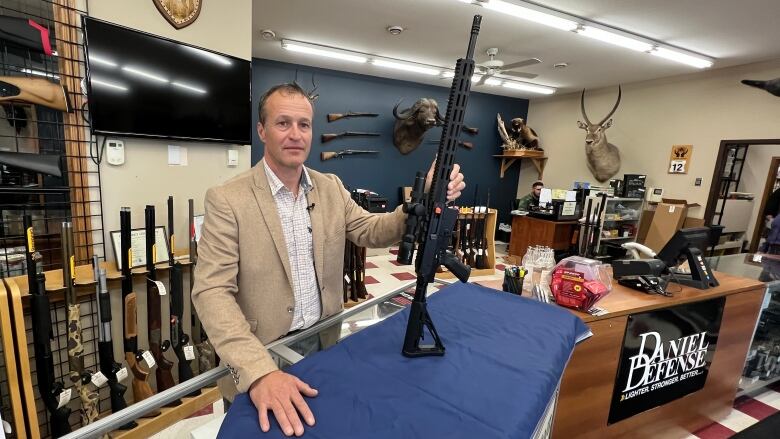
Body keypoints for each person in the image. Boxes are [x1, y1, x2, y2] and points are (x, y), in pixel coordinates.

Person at [191, 83, 466, 437]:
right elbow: (211, 292)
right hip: (261, 353)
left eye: (303, 125)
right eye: (283, 123)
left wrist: (423, 200)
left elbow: (371, 230)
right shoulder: (227, 199)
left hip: (326, 344)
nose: (295, 134)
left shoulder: (331, 186)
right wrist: (259, 371)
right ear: (261, 130)